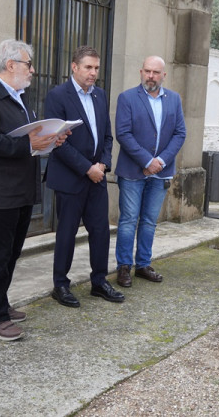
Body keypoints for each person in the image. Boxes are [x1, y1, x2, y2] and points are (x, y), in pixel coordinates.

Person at [0, 39, 65, 341]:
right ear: (11, 65)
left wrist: (49, 140)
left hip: (22, 190)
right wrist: (27, 144)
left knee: (11, 255)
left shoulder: (21, 97)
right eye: (28, 64)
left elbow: (29, 140)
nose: (33, 71)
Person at [45, 45, 124, 307]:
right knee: (66, 233)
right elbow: (58, 141)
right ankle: (61, 285)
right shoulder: (57, 96)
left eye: (97, 68)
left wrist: (103, 164)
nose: (93, 73)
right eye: (88, 67)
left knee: (100, 231)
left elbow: (107, 136)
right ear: (74, 67)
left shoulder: (100, 96)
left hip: (97, 177)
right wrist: (86, 168)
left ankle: (99, 282)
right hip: (71, 178)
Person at [114, 56, 186, 287]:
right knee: (128, 220)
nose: (151, 76)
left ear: (164, 75)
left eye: (156, 72)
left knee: (149, 221)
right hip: (133, 171)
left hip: (161, 173)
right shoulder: (127, 98)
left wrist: (161, 161)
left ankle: (143, 264)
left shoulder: (174, 99)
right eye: (147, 71)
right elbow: (123, 133)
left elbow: (180, 133)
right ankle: (124, 266)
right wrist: (146, 160)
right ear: (141, 71)